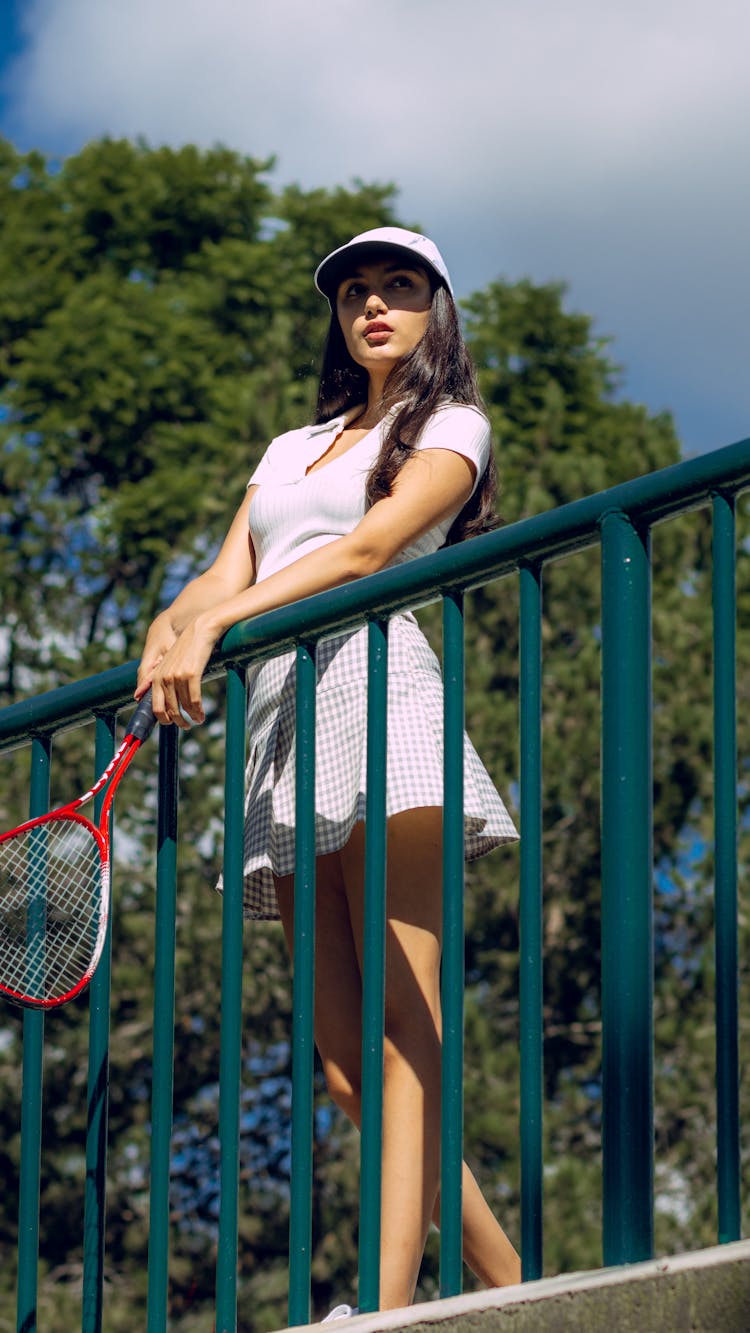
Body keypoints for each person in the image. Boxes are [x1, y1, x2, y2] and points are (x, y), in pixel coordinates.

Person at [136, 227, 521, 1311]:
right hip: (278, 731)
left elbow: (357, 556)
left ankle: (389, 1307)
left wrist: (216, 627)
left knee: (406, 1031)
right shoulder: (286, 448)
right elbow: (219, 576)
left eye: (401, 287)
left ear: (436, 309)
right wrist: (174, 628)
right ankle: (521, 1288)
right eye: (357, 293)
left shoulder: (451, 426)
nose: (376, 307)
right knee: (346, 1065)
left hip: (380, 688)